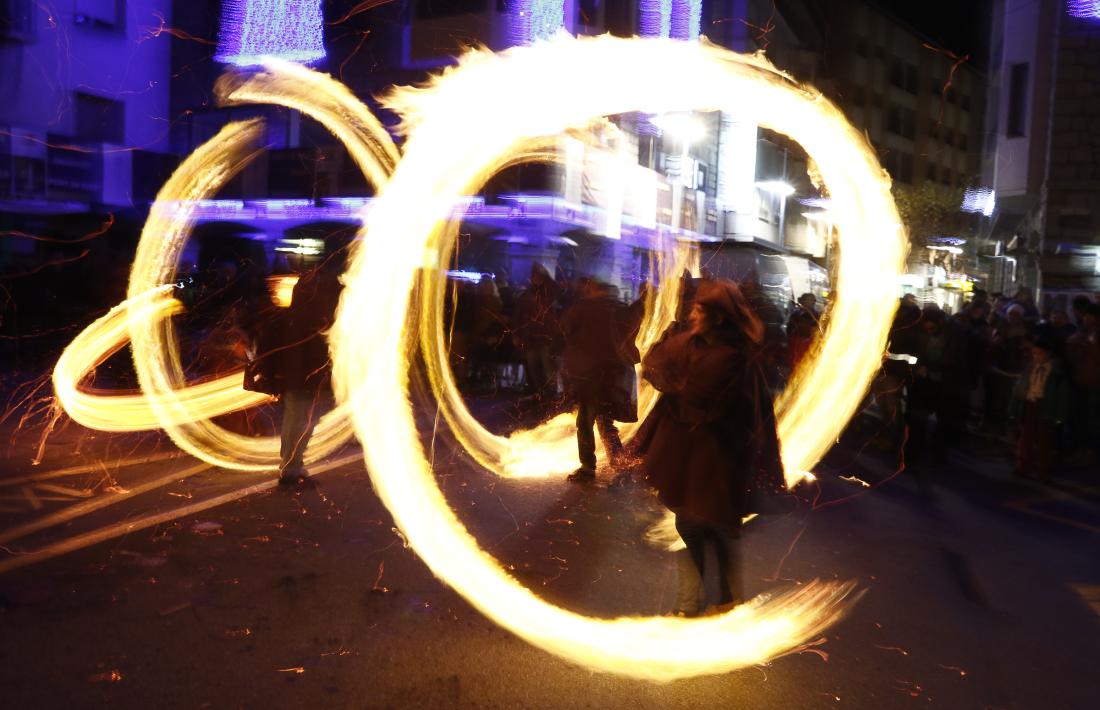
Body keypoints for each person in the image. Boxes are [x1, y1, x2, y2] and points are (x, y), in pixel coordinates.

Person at [636, 280, 785, 616]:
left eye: (699, 309)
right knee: (695, 523)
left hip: (717, 455)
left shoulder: (732, 355)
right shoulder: (697, 342)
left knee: (706, 523)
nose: (692, 313)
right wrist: (667, 360)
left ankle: (718, 601)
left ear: (717, 317)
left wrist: (675, 382)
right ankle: (705, 601)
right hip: (691, 453)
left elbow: (699, 397)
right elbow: (656, 362)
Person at [275, 233, 349, 488]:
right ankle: (291, 470)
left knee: (296, 415)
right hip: (307, 363)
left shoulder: (307, 283)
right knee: (302, 417)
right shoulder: (325, 287)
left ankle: (291, 465)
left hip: (297, 361)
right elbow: (326, 324)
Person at [560, 280, 643, 482]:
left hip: (590, 374)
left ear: (594, 290)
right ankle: (619, 463)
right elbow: (632, 326)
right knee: (605, 419)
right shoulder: (621, 309)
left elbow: (564, 327)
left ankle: (588, 467)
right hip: (614, 374)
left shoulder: (583, 307)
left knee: (586, 421)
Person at [1009, 337, 1069, 480]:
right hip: (1030, 402)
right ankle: (1023, 465)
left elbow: (1062, 394)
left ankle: (1043, 468)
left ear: (1048, 354)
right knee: (1026, 436)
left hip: (1046, 404)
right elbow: (1020, 386)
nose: (1036, 357)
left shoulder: (1056, 372)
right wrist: (1015, 405)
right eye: (1034, 353)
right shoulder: (1030, 367)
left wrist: (1059, 414)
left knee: (1045, 438)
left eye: (1039, 353)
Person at [513, 262, 561, 402]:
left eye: (537, 275)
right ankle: (539, 391)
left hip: (544, 338)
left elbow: (555, 289)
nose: (535, 278)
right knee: (533, 367)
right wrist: (517, 334)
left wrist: (545, 275)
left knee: (547, 367)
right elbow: (518, 316)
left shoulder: (548, 293)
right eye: (533, 275)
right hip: (530, 338)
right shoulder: (527, 295)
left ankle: (550, 393)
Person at [786, 292, 820, 370]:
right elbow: (789, 329)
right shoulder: (796, 314)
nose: (808, 302)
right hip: (795, 345)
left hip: (807, 346)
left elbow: (816, 332)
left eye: (810, 300)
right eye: (806, 300)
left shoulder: (816, 316)